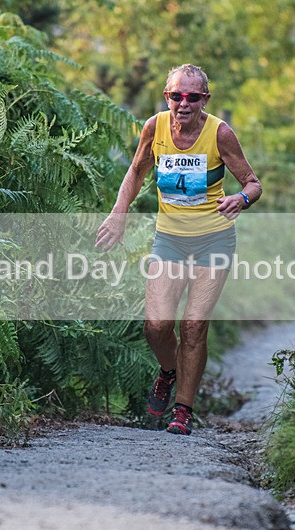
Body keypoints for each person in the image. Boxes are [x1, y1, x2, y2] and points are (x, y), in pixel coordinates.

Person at [95, 64, 262, 435]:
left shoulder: (220, 133)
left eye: (192, 97)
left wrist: (240, 199)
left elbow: (253, 182)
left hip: (214, 239)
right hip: (169, 239)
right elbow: (137, 171)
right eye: (176, 96)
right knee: (156, 327)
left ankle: (183, 411)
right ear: (166, 95)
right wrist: (118, 214)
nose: (183, 104)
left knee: (193, 325)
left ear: (205, 99)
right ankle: (169, 372)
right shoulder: (154, 127)